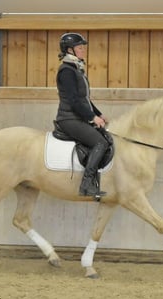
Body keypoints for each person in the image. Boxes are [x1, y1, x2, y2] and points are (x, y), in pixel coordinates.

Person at [54, 32, 109, 198]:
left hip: (77, 116)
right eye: (80, 47)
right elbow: (73, 101)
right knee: (100, 142)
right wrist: (92, 118)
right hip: (69, 118)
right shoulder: (66, 71)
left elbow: (84, 99)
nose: (83, 50)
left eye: (83, 47)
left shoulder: (76, 69)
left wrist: (98, 114)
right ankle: (86, 184)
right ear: (70, 50)